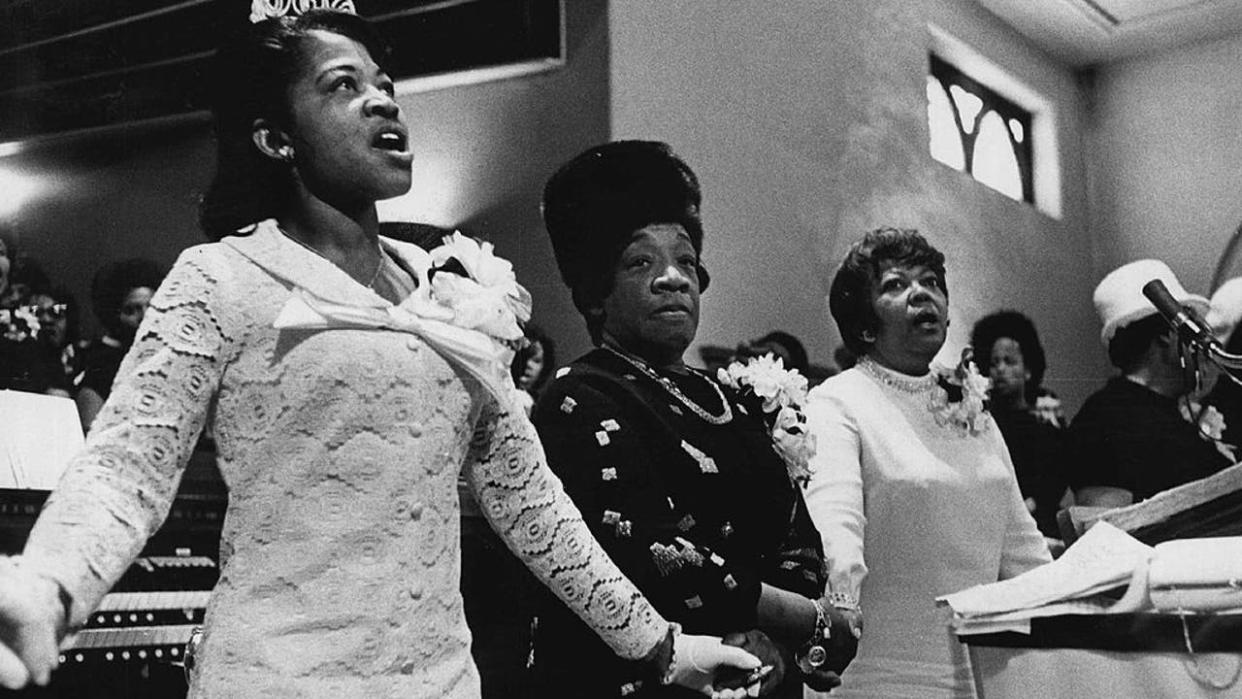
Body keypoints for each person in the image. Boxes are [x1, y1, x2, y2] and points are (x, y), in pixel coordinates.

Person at [0, 10, 764, 698]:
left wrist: (662, 646)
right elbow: (126, 468)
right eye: (343, 85)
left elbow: (533, 505)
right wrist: (45, 589)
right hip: (276, 682)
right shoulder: (221, 278)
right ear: (275, 137)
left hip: (438, 682)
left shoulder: (455, 289)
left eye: (386, 83)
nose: (383, 100)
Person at [529, 140, 857, 698]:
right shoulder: (577, 398)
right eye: (641, 262)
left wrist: (774, 642)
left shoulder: (728, 399)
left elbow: (795, 533)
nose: (673, 278)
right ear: (594, 294)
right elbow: (639, 545)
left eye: (685, 260)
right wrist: (800, 619)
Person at [803, 227, 1050, 698]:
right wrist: (832, 619)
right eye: (896, 285)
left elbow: (1022, 551)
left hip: (981, 675)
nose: (922, 293)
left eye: (932, 281)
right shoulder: (838, 402)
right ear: (864, 322)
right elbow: (834, 531)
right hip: (875, 675)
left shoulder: (969, 405)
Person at [1068, 260, 1235, 508]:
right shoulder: (1103, 419)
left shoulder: (1177, 412)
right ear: (1168, 334)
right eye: (1192, 325)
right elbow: (1104, 532)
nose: (1202, 341)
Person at [970, 311, 1071, 541]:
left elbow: (1058, 472)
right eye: (994, 363)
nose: (1000, 370)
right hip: (997, 523)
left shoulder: (1047, 413)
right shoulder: (983, 415)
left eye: (1009, 361)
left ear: (1028, 369)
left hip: (1042, 521)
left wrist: (1032, 505)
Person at [74, 258, 166, 429]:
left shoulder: (168, 359)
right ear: (114, 316)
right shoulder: (101, 369)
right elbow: (90, 431)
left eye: (153, 307)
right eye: (131, 310)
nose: (145, 316)